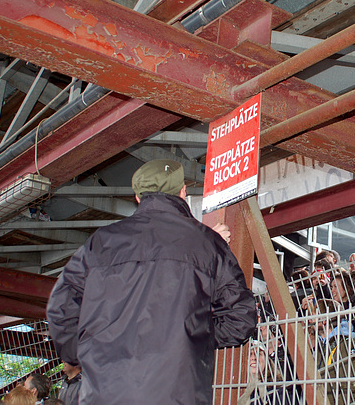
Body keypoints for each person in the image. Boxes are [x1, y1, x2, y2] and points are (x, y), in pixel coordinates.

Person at [46, 159, 257, 405]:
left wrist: (84, 352)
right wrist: (192, 337)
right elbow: (241, 319)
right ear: (183, 191)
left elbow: (60, 310)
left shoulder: (100, 242)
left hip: (103, 394)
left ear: (138, 197)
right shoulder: (207, 243)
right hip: (177, 393)